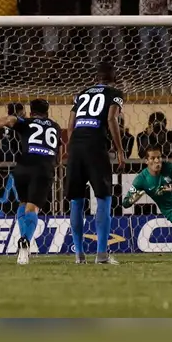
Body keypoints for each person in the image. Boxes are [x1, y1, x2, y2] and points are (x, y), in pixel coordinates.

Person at [0, 99, 60, 265]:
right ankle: (25, 241)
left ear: (30, 112)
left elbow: (7, 120)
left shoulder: (26, 122)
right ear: (47, 112)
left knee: (23, 204)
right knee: (33, 208)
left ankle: (24, 245)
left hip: (23, 167)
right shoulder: (55, 127)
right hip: (43, 168)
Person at [65, 62, 127, 264]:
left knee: (76, 199)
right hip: (95, 146)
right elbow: (111, 119)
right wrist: (119, 149)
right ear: (114, 78)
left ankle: (79, 255)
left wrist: (71, 147)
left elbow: (70, 123)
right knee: (103, 197)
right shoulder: (115, 93)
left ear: (97, 78)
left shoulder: (82, 93)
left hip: (76, 145)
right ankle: (101, 254)